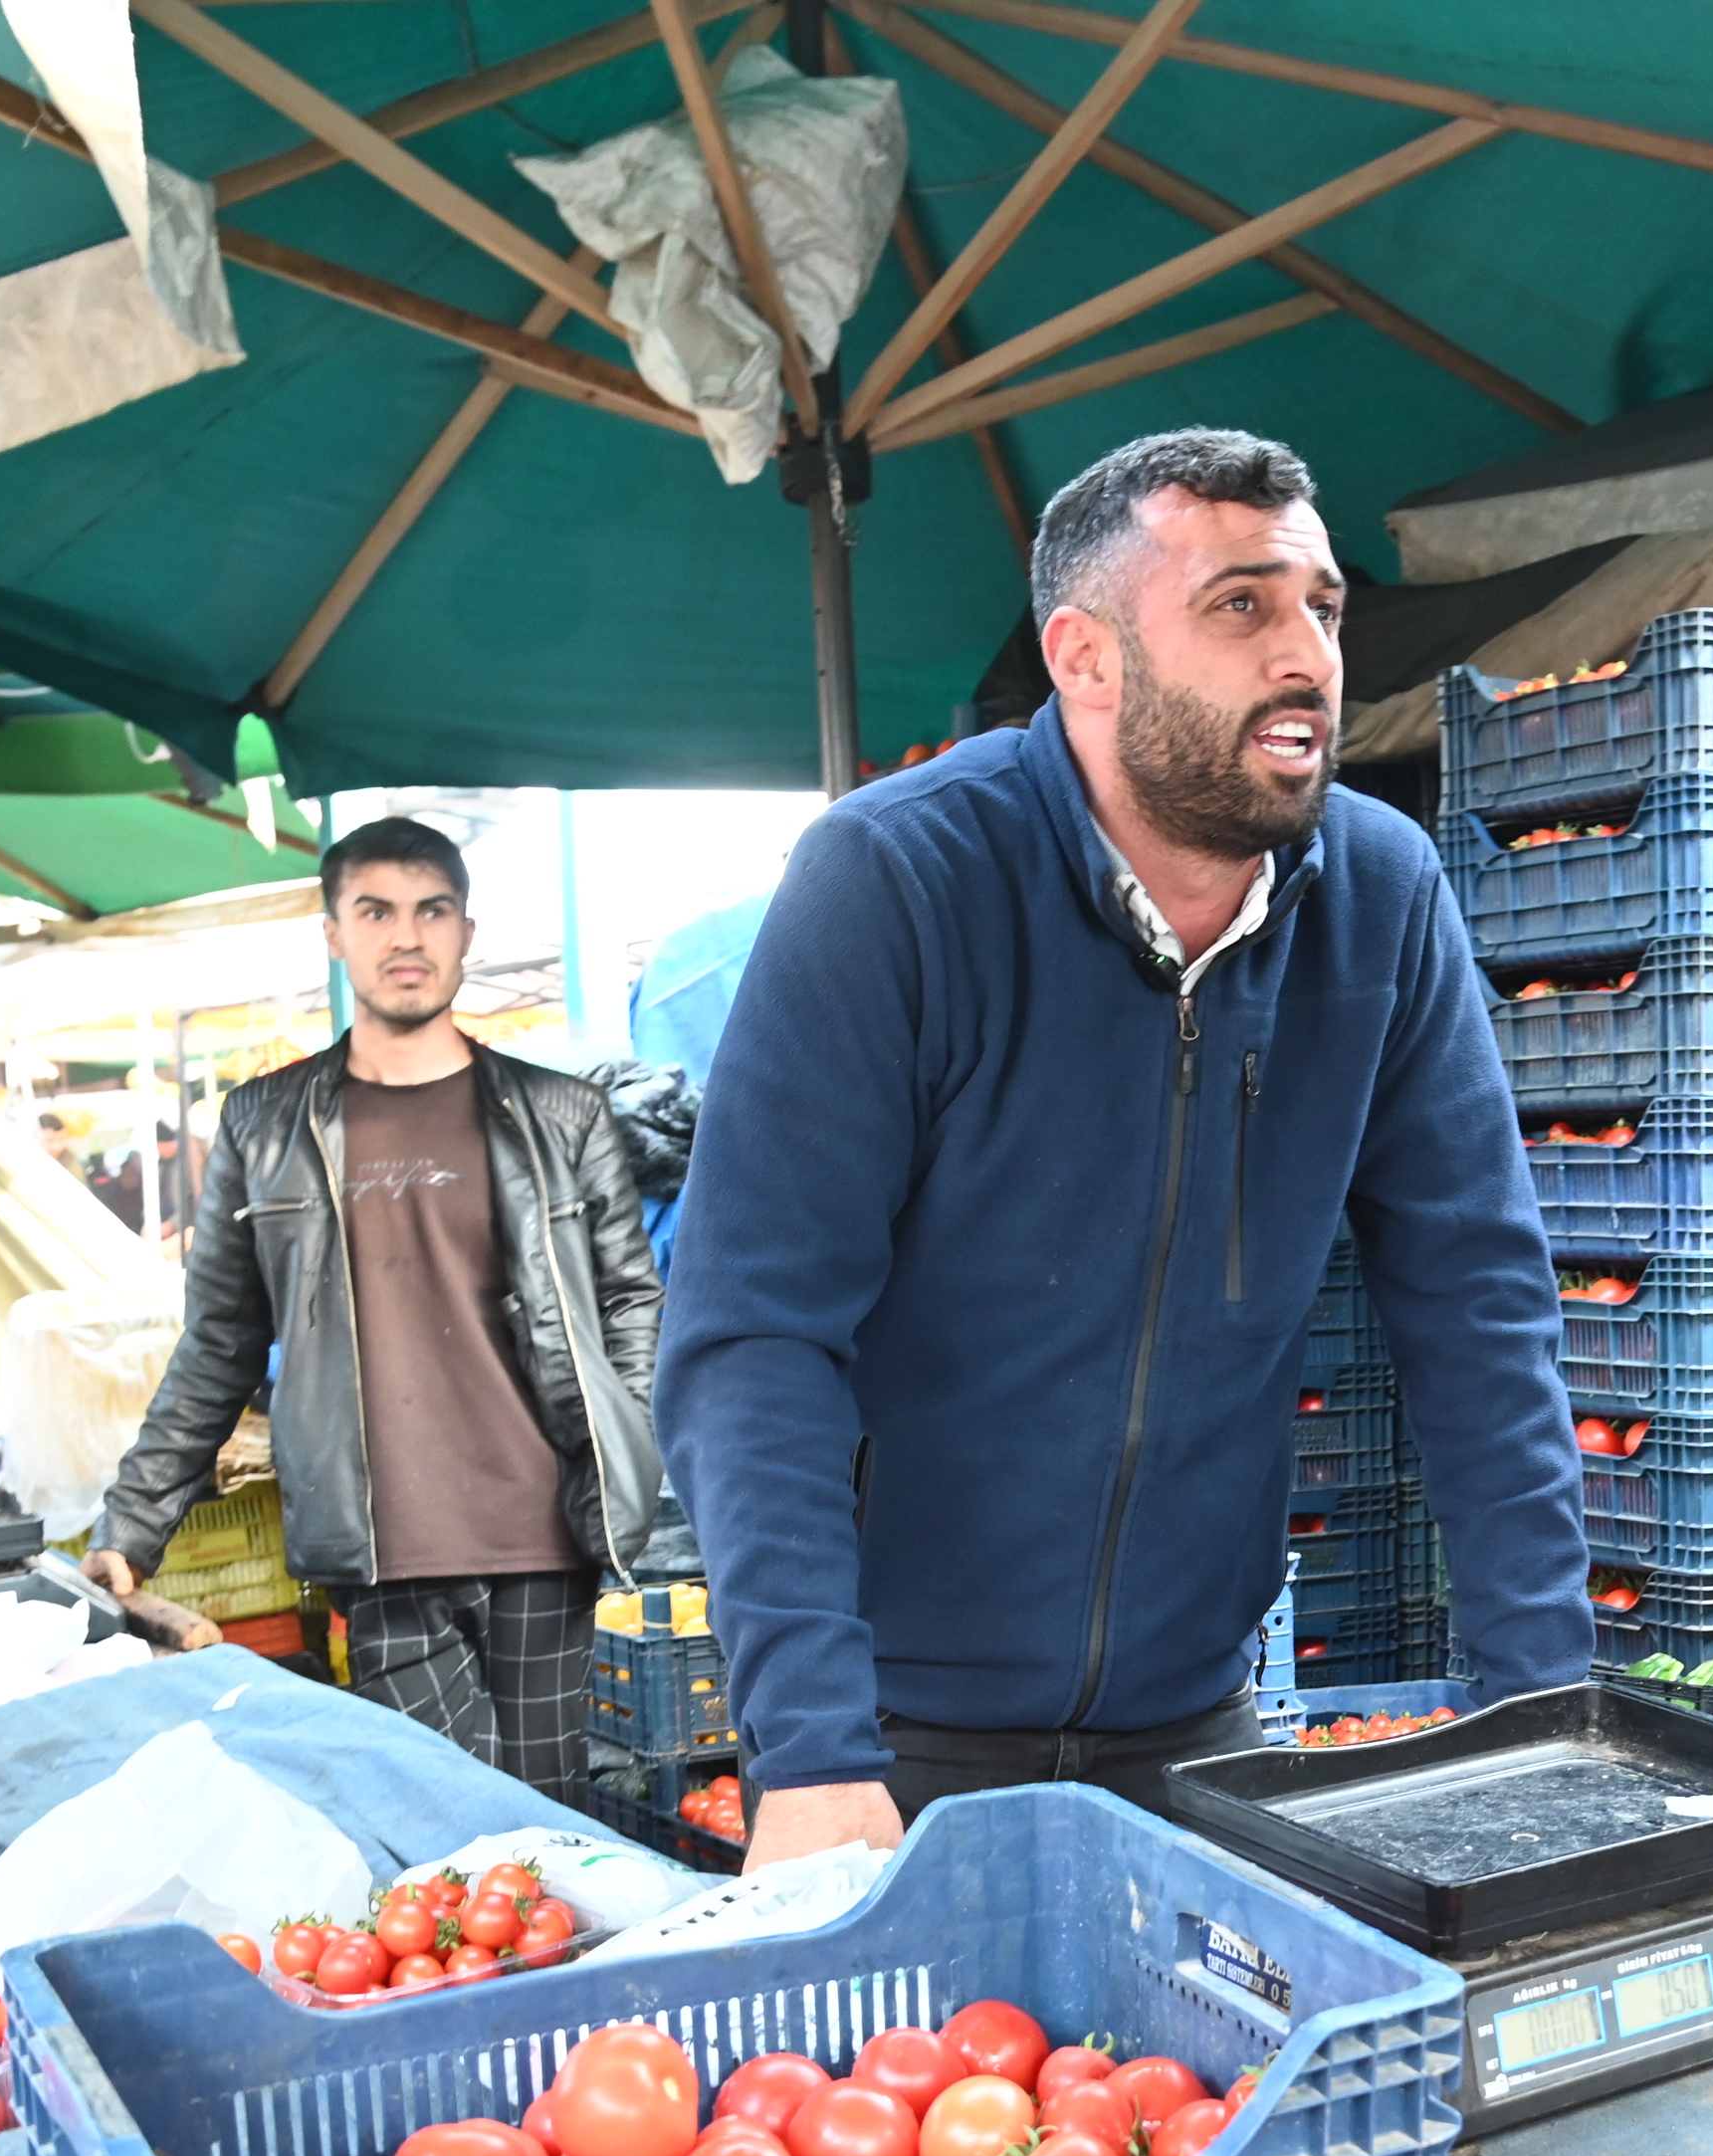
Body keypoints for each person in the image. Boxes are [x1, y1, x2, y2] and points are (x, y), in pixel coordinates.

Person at [659, 427, 1586, 1866]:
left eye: (1322, 607)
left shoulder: (1384, 896)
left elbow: (1477, 1303)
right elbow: (755, 1336)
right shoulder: (896, 881)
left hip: (1201, 1714)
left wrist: (1541, 1698)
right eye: (1242, 606)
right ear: (1084, 657)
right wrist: (814, 1743)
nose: (1309, 656)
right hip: (895, 1741)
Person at [85, 818, 662, 1795]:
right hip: (378, 1544)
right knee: (465, 1823)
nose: (407, 937)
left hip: (544, 1537)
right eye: (376, 911)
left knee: (554, 1824)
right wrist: (132, 1523)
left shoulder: (563, 1116)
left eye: (431, 910)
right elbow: (220, 1342)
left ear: (465, 933)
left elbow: (632, 1307)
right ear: (333, 934)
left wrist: (627, 1453)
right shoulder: (265, 1125)